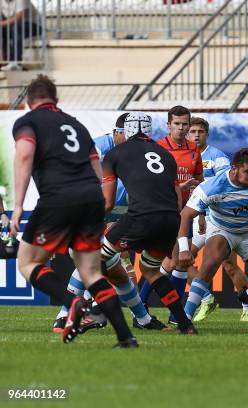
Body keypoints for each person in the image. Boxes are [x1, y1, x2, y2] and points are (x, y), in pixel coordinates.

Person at [9, 75, 136, 347]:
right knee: (92, 273)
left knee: (28, 263)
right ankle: (126, 337)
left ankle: (74, 303)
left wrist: (18, 205)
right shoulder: (76, 125)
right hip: (91, 199)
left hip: (58, 197)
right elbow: (95, 166)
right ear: (56, 100)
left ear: (29, 101)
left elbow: (24, 155)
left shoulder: (28, 122)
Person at [51, 112, 160, 333]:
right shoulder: (99, 148)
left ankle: (141, 318)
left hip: (114, 214)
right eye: (128, 134)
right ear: (118, 133)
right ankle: (67, 315)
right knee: (96, 262)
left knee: (116, 273)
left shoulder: (138, 151)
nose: (133, 139)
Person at [101, 112, 197, 335]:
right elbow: (176, 197)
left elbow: (107, 204)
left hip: (140, 217)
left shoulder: (114, 154)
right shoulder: (166, 154)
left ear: (127, 130)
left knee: (96, 257)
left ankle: (96, 310)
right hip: (170, 219)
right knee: (150, 270)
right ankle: (185, 324)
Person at [176, 148, 248, 324]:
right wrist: (183, 249)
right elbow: (185, 215)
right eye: (247, 172)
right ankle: (186, 318)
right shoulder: (212, 187)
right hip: (221, 229)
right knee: (209, 264)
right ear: (234, 168)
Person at [185, 117, 248, 322]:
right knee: (181, 260)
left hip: (216, 219)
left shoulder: (217, 157)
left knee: (229, 265)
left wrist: (203, 215)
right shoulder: (184, 156)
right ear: (187, 134)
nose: (196, 135)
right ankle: (207, 298)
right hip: (196, 215)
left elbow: (226, 187)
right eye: (192, 131)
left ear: (207, 135)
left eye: (200, 131)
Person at [138, 106, 203, 325]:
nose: (182, 128)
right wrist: (178, 186)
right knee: (169, 261)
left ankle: (164, 311)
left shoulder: (194, 149)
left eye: (185, 124)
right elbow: (150, 181)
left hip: (187, 213)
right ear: (168, 125)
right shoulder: (157, 148)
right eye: (177, 124)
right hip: (164, 212)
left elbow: (199, 182)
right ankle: (157, 309)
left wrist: (201, 213)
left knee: (179, 262)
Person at [1, 0, 40, 71]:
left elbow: (19, 17)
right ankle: (4, 61)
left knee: (16, 27)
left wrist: (2, 24)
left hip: (34, 25)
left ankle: (17, 63)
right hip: (13, 25)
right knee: (3, 30)